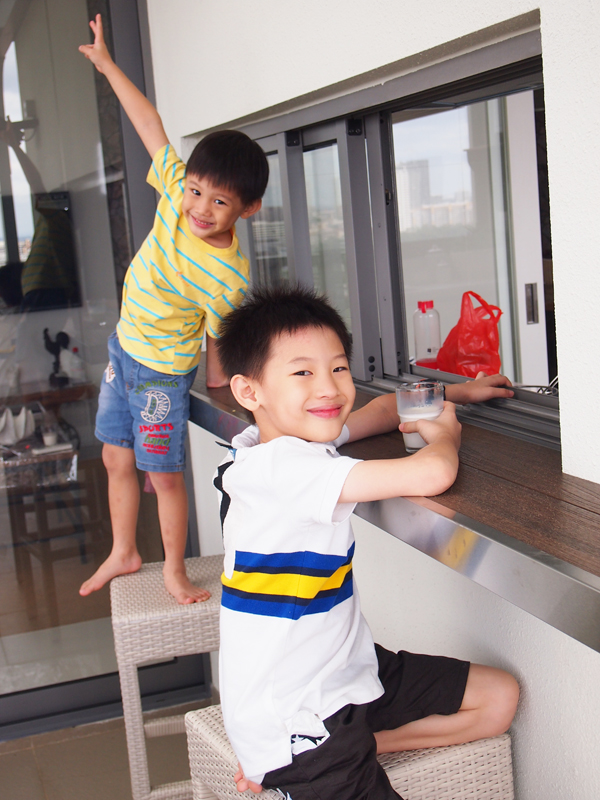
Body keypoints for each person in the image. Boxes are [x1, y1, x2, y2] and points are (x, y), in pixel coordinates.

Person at [213, 285, 519, 800]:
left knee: (497, 698)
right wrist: (446, 434)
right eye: (302, 372)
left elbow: (375, 413)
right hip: (299, 720)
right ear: (249, 391)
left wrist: (453, 394)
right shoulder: (286, 472)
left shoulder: (274, 444)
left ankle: (367, 742)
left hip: (347, 675)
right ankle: (288, 768)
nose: (328, 387)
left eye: (337, 368)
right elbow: (434, 472)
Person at [77, 15, 268, 603]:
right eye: (195, 191)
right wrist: (109, 66)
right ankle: (123, 549)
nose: (199, 208)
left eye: (219, 201)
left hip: (161, 370)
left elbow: (224, 334)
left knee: (163, 473)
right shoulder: (174, 189)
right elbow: (149, 123)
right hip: (123, 349)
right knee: (115, 456)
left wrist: (218, 379)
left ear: (247, 210)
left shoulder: (230, 273)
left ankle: (174, 569)